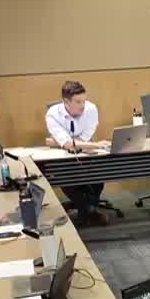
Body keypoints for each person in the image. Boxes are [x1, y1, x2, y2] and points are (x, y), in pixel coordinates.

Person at [45, 80, 110, 226]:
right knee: (65, 178)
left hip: (85, 153)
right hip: (63, 158)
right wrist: (96, 144)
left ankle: (87, 211)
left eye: (84, 101)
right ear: (66, 102)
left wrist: (58, 142)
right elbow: (68, 144)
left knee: (100, 174)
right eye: (78, 102)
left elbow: (79, 140)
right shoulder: (53, 114)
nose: (83, 105)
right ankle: (87, 211)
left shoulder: (91, 109)